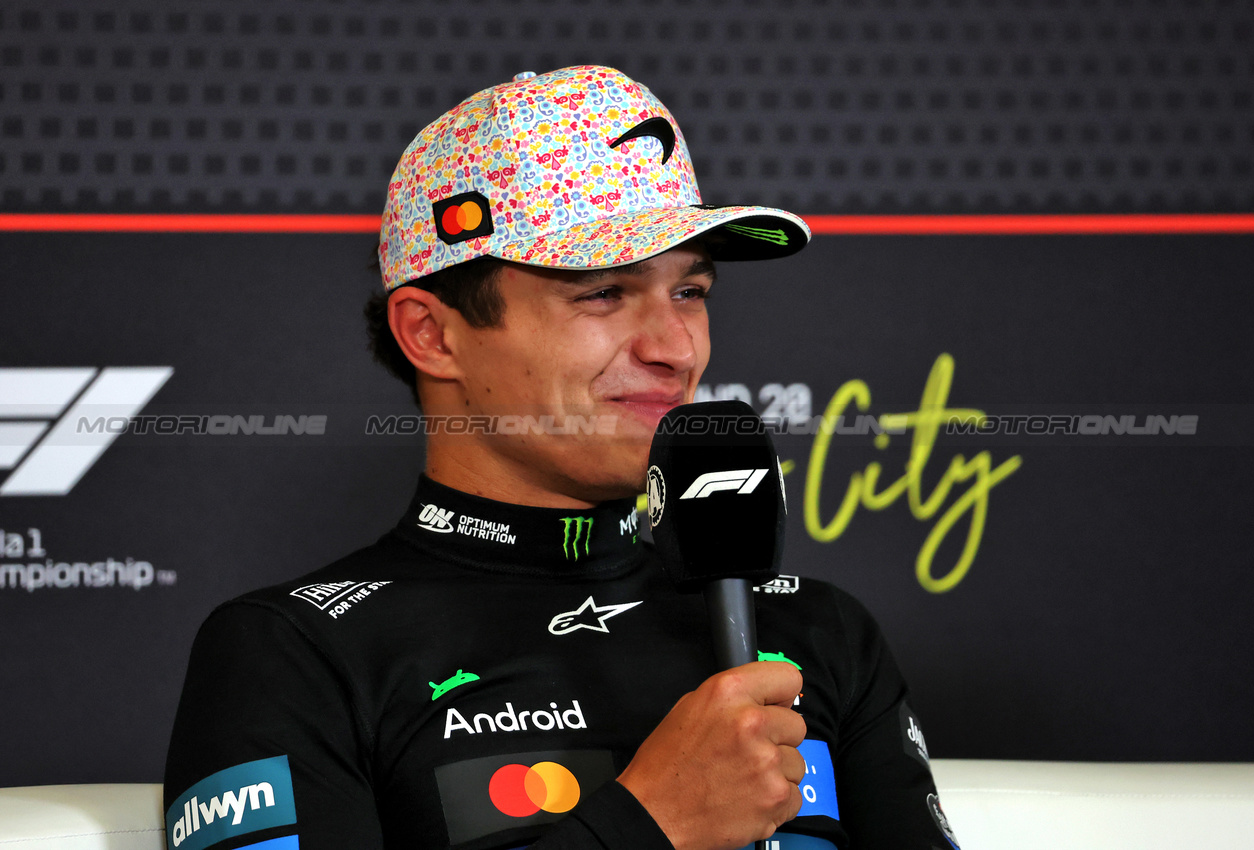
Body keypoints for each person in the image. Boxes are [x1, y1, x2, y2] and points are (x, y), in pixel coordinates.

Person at [163, 66, 960, 850]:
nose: (675, 349)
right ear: (431, 335)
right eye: (603, 293)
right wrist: (648, 826)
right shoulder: (296, 651)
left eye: (691, 292)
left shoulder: (811, 626)